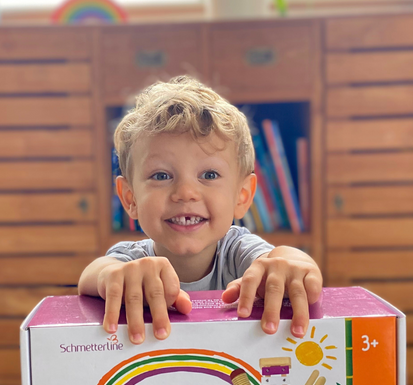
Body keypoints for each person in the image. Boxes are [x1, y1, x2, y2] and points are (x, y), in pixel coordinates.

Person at [79, 76, 322, 344]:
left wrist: (291, 268)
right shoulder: (131, 262)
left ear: (242, 196)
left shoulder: (239, 251)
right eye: (161, 176)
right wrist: (110, 277)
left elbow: (287, 262)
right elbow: (96, 274)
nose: (186, 193)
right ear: (130, 198)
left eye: (209, 174)